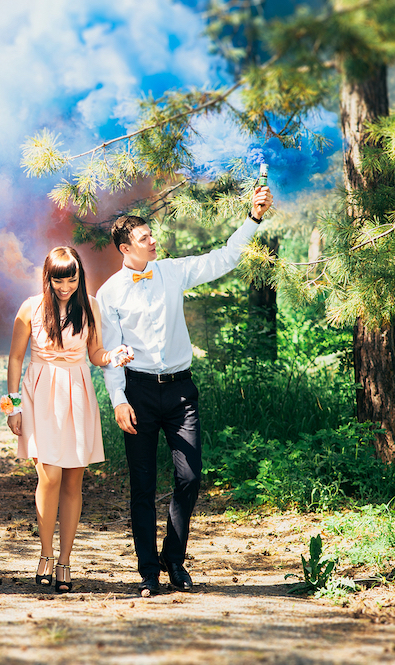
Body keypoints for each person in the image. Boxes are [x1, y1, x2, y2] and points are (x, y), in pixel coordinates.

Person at [97, 185, 273, 597]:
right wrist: (118, 400)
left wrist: (254, 218)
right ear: (126, 248)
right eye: (144, 238)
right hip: (137, 392)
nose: (154, 240)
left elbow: (223, 258)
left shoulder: (172, 271)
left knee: (190, 477)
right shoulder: (109, 293)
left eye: (151, 234)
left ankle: (173, 558)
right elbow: (110, 354)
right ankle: (148, 573)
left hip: (180, 393)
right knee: (141, 486)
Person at [5, 247, 133, 593]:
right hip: (40, 392)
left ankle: (64, 560)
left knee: (74, 482)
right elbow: (16, 359)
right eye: (58, 280)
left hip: (78, 390)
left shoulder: (90, 305)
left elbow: (96, 353)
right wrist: (12, 406)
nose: (65, 287)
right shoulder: (30, 307)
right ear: (48, 278)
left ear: (80, 277)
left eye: (71, 279)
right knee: (49, 477)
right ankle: (45, 555)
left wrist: (114, 356)